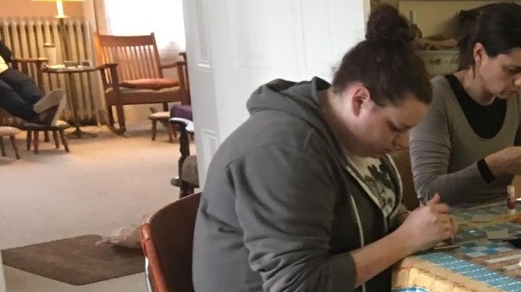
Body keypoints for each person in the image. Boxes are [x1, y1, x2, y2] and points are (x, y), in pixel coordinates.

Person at [192, 6, 455, 292]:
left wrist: (408, 221)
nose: (404, 142)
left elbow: (371, 202)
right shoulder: (285, 152)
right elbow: (296, 285)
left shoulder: (350, 137)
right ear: (359, 100)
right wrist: (405, 239)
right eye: (396, 128)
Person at [410, 2, 521, 207]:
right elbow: (429, 193)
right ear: (479, 54)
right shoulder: (437, 97)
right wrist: (491, 167)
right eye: (512, 70)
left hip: (501, 220)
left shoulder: (517, 98)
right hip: (446, 226)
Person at [0, 34, 62, 125]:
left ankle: (45, 108)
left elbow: (7, 54)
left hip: (1, 69)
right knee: (3, 90)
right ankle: (34, 116)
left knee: (24, 82)